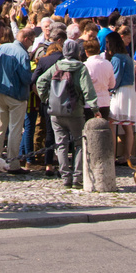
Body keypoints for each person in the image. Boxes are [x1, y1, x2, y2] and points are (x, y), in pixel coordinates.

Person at [37, 39, 96, 188]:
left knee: (61, 145)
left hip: (56, 111)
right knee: (79, 144)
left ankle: (65, 177)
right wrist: (95, 109)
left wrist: (46, 99)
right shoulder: (81, 68)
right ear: (77, 52)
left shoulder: (56, 66)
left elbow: (40, 81)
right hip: (75, 111)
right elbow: (87, 90)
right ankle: (77, 177)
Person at [0, 20, 32, 172]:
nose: (31, 44)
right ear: (25, 39)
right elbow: (26, 78)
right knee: (15, 129)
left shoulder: (1, 48)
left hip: (0, 92)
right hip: (17, 95)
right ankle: (12, 164)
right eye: (31, 41)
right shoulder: (22, 54)